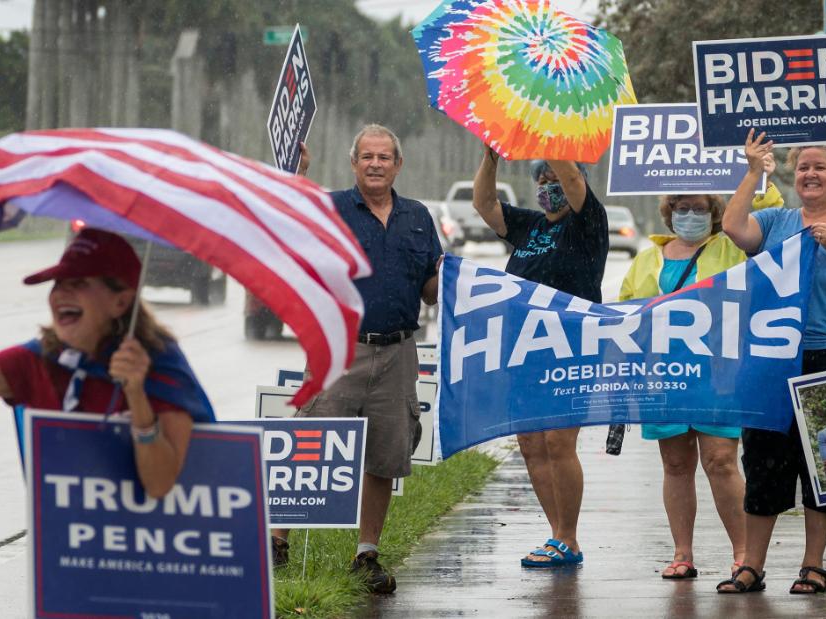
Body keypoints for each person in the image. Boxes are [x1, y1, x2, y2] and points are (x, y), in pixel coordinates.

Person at [719, 129, 826, 595]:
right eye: (803, 167)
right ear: (794, 176)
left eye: (820, 167)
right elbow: (734, 228)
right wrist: (754, 169)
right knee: (764, 460)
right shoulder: (776, 221)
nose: (810, 174)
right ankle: (750, 566)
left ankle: (813, 566)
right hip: (775, 360)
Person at [270, 126, 442, 594]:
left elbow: (430, 289)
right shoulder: (331, 209)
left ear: (398, 164)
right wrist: (297, 175)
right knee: (311, 445)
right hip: (339, 349)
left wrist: (453, 279)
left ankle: (366, 553)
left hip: (399, 352)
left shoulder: (419, 217)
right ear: (354, 163)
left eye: (384, 156)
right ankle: (277, 543)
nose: (375, 164)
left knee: (385, 456)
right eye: (367, 156)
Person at [0, 228, 215, 498]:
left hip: (151, 535)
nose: (61, 293)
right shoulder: (38, 359)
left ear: (121, 302)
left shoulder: (160, 367)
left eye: (78, 283)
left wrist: (136, 394)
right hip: (66, 534)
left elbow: (159, 485)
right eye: (58, 283)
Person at [472, 144, 608, 567]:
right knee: (531, 443)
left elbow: (572, 180)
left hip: (572, 347)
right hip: (526, 350)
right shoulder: (529, 226)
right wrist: (491, 156)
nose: (550, 185)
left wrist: (554, 144)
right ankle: (556, 534)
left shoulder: (589, 224)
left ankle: (569, 537)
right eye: (541, 179)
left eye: (556, 178)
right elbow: (485, 203)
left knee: (558, 441)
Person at [619, 194, 757, 579]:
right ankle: (682, 553)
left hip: (719, 375)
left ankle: (746, 554)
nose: (690, 216)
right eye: (682, 208)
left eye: (699, 208)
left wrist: (751, 172)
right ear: (669, 213)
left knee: (721, 462)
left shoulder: (732, 249)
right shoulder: (647, 258)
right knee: (676, 464)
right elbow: (626, 311)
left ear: (715, 213)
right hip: (663, 376)